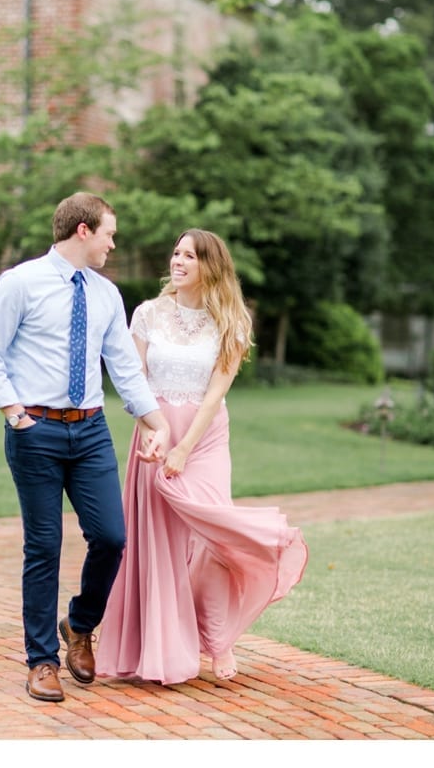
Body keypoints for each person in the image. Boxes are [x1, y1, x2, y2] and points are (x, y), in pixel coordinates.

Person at [0, 192, 172, 703]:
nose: (113, 243)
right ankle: (41, 661)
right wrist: (13, 412)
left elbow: (124, 366)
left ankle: (80, 625)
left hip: (90, 432)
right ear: (83, 230)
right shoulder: (19, 284)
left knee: (111, 537)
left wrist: (154, 422)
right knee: (44, 547)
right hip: (34, 430)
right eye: (109, 233)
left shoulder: (107, 294)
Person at [95, 229, 307, 683]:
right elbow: (133, 383)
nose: (178, 261)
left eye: (189, 255)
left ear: (210, 265)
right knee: (158, 545)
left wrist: (185, 445)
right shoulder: (148, 314)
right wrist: (155, 432)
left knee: (215, 536)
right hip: (154, 433)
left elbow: (216, 393)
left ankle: (218, 640)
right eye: (175, 253)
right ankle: (156, 649)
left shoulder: (231, 321)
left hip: (205, 437)